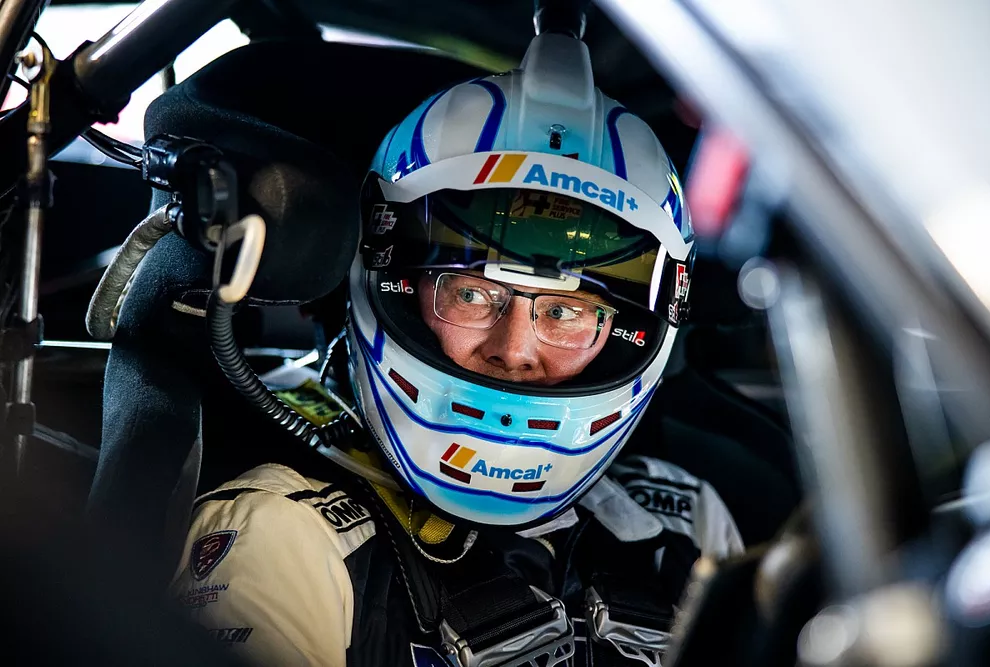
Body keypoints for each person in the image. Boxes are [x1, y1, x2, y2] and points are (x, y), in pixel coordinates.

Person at [169, 30, 744, 667]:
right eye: (472, 294)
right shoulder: (283, 535)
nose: (515, 350)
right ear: (396, 281)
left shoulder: (686, 524)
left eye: (564, 312)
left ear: (624, 331)